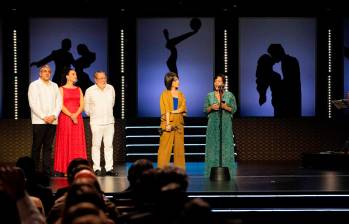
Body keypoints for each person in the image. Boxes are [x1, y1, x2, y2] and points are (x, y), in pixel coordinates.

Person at [28, 64, 62, 176]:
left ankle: (47, 170)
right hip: (39, 121)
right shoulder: (34, 85)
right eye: (44, 71)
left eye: (49, 71)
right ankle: (34, 171)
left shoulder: (55, 86)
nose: (47, 73)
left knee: (48, 147)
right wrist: (44, 116)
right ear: (40, 73)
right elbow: (32, 103)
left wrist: (53, 115)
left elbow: (59, 103)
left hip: (52, 121)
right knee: (37, 146)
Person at [53, 69, 87, 175]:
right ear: (67, 76)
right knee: (66, 141)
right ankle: (66, 169)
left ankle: (78, 168)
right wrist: (71, 115)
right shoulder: (61, 89)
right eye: (73, 74)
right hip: (65, 118)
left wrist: (76, 115)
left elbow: (82, 104)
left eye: (75, 74)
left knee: (76, 142)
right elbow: (60, 105)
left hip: (77, 118)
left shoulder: (79, 89)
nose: (75, 75)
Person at [204, 74, 237, 177]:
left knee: (226, 145)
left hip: (225, 124)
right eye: (216, 81)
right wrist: (211, 107)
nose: (217, 83)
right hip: (213, 124)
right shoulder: (209, 95)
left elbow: (234, 109)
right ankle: (212, 170)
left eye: (219, 81)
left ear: (223, 83)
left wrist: (225, 107)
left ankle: (227, 170)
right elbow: (205, 109)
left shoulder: (229, 95)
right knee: (212, 146)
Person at [84, 71, 117, 176]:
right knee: (96, 145)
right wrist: (93, 114)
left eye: (104, 78)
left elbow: (112, 103)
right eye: (101, 78)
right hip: (96, 122)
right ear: (95, 80)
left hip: (109, 121)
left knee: (108, 146)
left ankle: (109, 168)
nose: (103, 80)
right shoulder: (90, 90)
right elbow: (86, 107)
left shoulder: (110, 88)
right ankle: (96, 168)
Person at [157, 72, 187, 170]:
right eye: (176, 80)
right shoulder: (164, 94)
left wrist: (174, 111)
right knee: (164, 148)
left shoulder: (181, 94)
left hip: (179, 122)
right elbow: (165, 110)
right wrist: (168, 124)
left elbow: (183, 109)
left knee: (179, 149)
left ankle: (180, 171)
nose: (178, 81)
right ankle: (161, 170)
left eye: (178, 79)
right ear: (170, 81)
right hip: (167, 122)